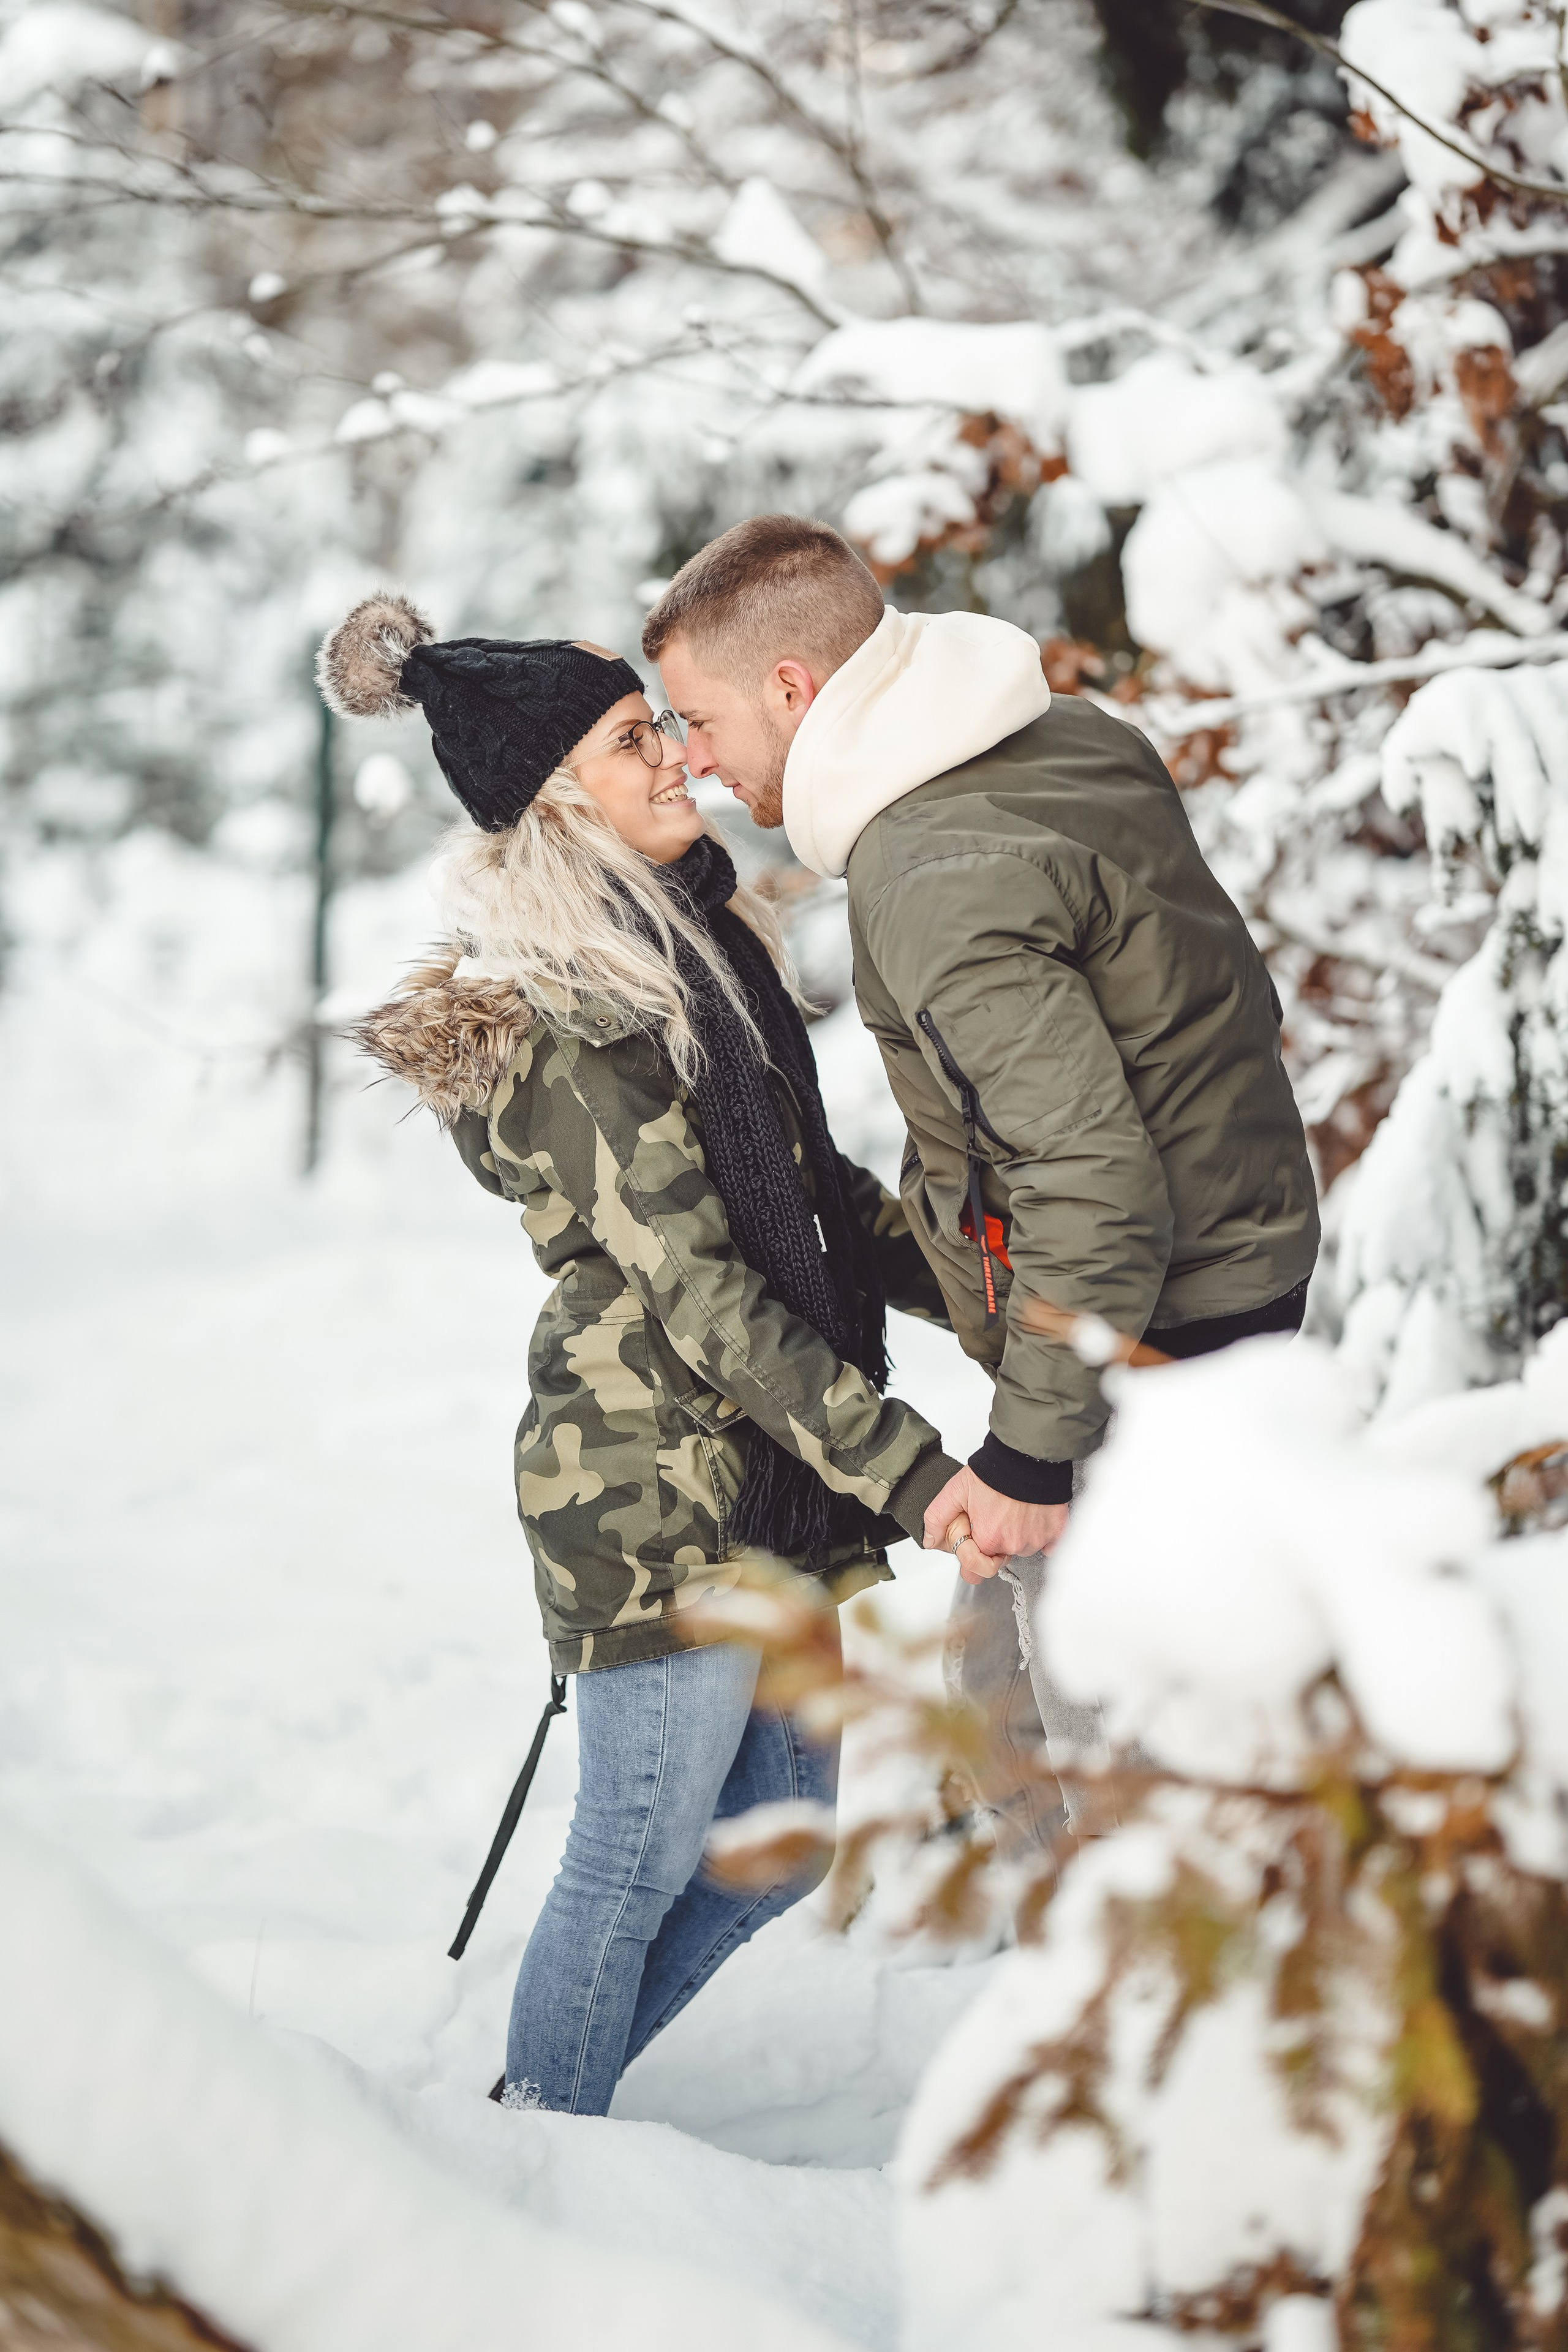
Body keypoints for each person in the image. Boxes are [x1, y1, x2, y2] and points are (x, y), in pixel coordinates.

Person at [315, 592, 967, 2113]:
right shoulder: (574, 1016)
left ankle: (556, 2110)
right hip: (652, 1494)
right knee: (632, 1856)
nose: (678, 753)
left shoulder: (697, 953)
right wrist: (915, 1474)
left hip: (768, 1477)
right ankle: (534, 2144)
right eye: (633, 738)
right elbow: (710, 1301)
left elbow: (817, 1200)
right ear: (556, 795)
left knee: (786, 1834)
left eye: (664, 724)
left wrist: (996, 1300)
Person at [643, 514, 1321, 1857]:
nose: (690, 760)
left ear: (791, 690)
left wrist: (1027, 1451)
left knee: (1103, 1767)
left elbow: (1086, 1176)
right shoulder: (1055, 738)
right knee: (1003, 1699)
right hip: (1221, 1279)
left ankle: (1124, 2021)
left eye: (696, 718)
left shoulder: (931, 872)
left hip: (1142, 1339)